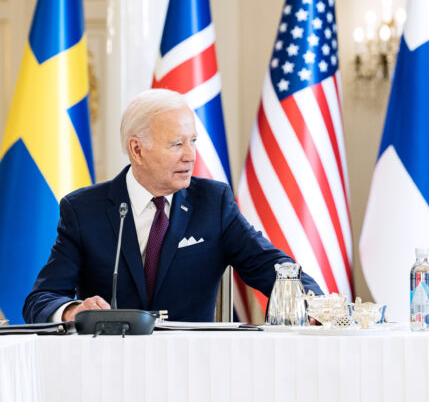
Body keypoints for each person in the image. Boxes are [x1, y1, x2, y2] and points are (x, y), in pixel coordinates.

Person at [24, 89, 323, 323]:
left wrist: (324, 310)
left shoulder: (213, 203)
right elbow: (41, 298)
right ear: (137, 149)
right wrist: (73, 311)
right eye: (177, 144)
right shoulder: (83, 210)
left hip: (194, 371)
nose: (190, 156)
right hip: (109, 370)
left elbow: (271, 267)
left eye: (193, 141)